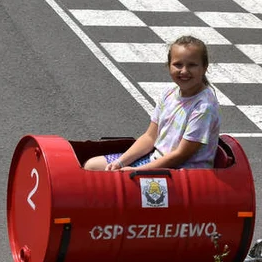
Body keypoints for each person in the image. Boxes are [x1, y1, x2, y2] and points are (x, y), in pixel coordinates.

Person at [84, 36, 221, 171]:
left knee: (111, 177)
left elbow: (181, 155)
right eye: (178, 64)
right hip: (157, 160)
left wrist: (138, 171)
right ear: (169, 66)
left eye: (192, 65)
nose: (184, 71)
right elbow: (150, 137)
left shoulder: (204, 107)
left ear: (204, 68)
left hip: (183, 172)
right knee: (92, 166)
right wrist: (120, 162)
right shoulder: (169, 93)